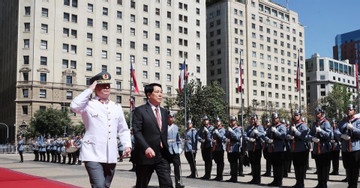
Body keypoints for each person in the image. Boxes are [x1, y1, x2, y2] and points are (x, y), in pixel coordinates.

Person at [70, 71, 131, 188]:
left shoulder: (116, 107)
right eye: (103, 85)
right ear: (95, 87)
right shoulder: (87, 104)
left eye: (108, 85)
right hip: (92, 153)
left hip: (111, 154)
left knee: (105, 185)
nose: (107, 87)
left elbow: (123, 129)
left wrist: (127, 145)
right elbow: (74, 106)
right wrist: (89, 90)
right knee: (99, 185)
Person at [132, 83, 173, 188]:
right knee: (142, 184)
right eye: (157, 92)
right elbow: (137, 132)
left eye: (161, 92)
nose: (160, 95)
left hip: (162, 155)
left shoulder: (164, 112)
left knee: (167, 183)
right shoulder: (140, 111)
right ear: (149, 95)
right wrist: (146, 147)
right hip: (146, 155)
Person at [335, 104, 360, 188]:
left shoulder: (357, 121)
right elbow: (336, 131)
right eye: (348, 109)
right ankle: (350, 184)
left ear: (354, 111)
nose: (349, 110)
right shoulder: (343, 122)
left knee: (355, 168)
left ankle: (354, 185)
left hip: (355, 147)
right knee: (348, 167)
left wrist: (353, 128)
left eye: (351, 109)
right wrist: (341, 136)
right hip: (345, 148)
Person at [309, 107, 332, 188]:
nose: (316, 114)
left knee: (324, 167)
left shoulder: (326, 123)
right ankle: (319, 183)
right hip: (317, 148)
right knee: (318, 167)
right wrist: (312, 138)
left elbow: (330, 135)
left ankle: (324, 184)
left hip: (324, 148)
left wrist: (321, 131)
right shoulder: (315, 124)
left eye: (318, 113)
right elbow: (310, 134)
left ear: (321, 114)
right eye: (315, 113)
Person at [288, 110, 309, 188]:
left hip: (301, 148)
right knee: (296, 166)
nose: (295, 116)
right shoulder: (292, 125)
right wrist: (289, 136)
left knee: (301, 166)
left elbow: (303, 136)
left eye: (297, 115)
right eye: (295, 115)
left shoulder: (303, 125)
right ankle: (297, 181)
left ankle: (301, 182)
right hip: (294, 148)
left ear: (300, 116)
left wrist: (296, 131)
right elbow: (288, 134)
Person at [265, 113, 286, 186]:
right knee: (274, 165)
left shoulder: (282, 126)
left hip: (279, 148)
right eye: (273, 118)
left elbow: (283, 136)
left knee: (279, 165)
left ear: (278, 118)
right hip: (272, 148)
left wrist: (276, 131)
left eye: (275, 118)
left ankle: (279, 181)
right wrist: (268, 140)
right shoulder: (271, 127)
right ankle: (275, 179)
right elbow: (266, 135)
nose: (274, 119)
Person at [243, 114, 265, 184]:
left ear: (256, 120)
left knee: (257, 163)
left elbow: (263, 135)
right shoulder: (249, 127)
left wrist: (257, 133)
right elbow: (244, 134)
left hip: (257, 147)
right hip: (250, 147)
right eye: (251, 119)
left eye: (254, 119)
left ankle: (258, 179)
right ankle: (254, 178)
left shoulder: (260, 127)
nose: (252, 120)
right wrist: (248, 138)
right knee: (252, 162)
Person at [167, 111, 185, 188]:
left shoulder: (176, 127)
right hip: (167, 149)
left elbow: (178, 139)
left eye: (172, 117)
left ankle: (177, 183)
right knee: (167, 168)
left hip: (175, 149)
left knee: (177, 167)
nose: (170, 119)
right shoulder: (164, 127)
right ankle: (168, 183)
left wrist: (180, 147)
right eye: (169, 117)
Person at [196, 115, 214, 180]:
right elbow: (197, 135)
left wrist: (207, 132)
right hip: (204, 146)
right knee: (205, 160)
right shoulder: (201, 128)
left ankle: (208, 174)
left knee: (209, 160)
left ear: (208, 121)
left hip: (209, 145)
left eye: (206, 120)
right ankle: (206, 173)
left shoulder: (211, 128)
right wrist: (200, 139)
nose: (205, 121)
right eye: (204, 120)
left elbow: (212, 136)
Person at [225, 115, 242, 183]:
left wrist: (232, 131)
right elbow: (225, 136)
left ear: (236, 121)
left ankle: (235, 177)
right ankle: (232, 176)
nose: (232, 122)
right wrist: (225, 138)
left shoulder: (237, 129)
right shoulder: (229, 128)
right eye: (231, 121)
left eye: (233, 121)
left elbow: (238, 138)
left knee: (234, 163)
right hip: (229, 148)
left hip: (235, 148)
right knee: (231, 162)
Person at [211, 117, 226, 181]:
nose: (217, 123)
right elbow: (211, 136)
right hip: (215, 147)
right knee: (217, 161)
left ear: (220, 122)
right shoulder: (214, 129)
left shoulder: (222, 129)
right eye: (216, 121)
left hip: (220, 147)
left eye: (218, 121)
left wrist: (217, 133)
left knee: (220, 162)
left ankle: (220, 176)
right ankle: (218, 175)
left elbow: (222, 137)